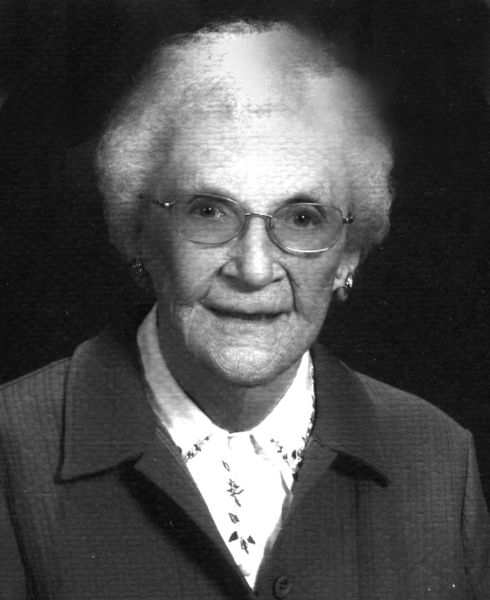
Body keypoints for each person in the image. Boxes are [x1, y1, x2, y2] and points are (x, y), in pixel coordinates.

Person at [1, 20, 489, 600]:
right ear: (140, 237)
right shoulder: (12, 447)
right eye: (209, 211)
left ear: (347, 258)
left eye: (302, 218)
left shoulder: (438, 456)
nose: (254, 269)